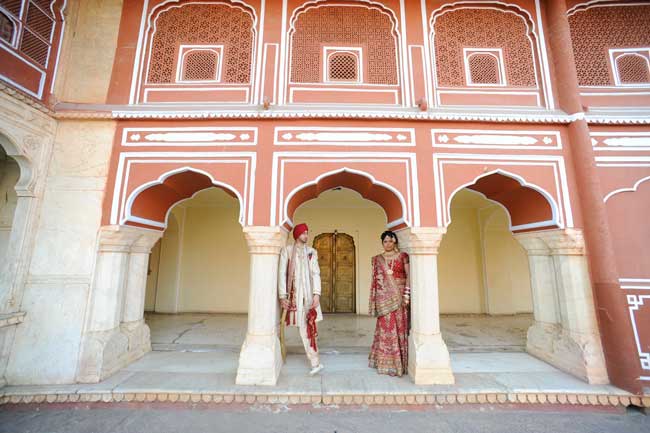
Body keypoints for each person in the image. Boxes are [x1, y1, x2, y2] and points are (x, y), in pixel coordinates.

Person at [278, 223, 324, 375]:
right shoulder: (288, 251)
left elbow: (315, 273)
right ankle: (314, 361)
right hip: (294, 297)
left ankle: (315, 362)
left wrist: (317, 294)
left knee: (309, 327)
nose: (306, 235)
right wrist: (282, 295)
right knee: (303, 328)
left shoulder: (311, 252)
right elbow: (281, 273)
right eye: (304, 233)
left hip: (309, 297)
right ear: (297, 235)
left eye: (307, 233)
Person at [368, 230, 411, 376]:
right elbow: (376, 283)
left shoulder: (402, 256)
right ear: (382, 243)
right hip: (384, 301)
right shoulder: (377, 259)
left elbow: (409, 276)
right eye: (385, 241)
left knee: (399, 329)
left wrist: (406, 294)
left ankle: (399, 363)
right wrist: (376, 301)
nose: (388, 244)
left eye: (391, 241)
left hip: (400, 299)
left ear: (395, 242)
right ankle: (384, 362)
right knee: (385, 330)